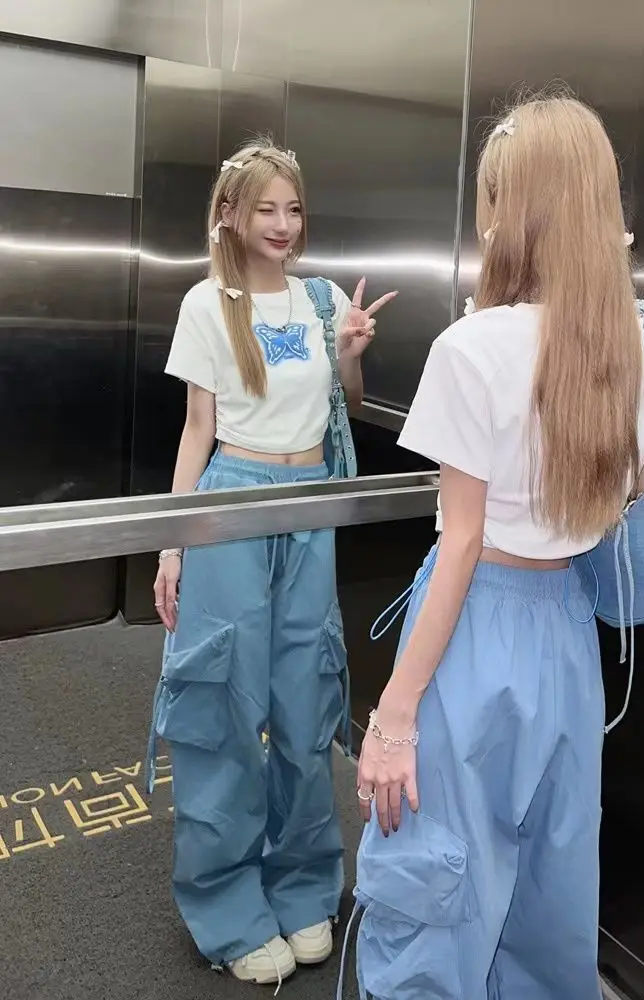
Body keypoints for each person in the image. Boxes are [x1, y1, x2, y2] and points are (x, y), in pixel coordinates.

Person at [349, 95, 644, 999]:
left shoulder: (471, 347)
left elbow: (460, 545)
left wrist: (392, 718)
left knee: (436, 890)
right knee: (549, 892)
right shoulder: (637, 343)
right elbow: (632, 490)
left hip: (473, 628)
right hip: (568, 636)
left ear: (507, 206)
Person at [143, 138, 396, 990]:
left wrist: (350, 353)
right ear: (231, 215)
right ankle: (225, 905)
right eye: (266, 209)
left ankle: (301, 885)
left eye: (293, 209)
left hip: (309, 510)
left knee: (305, 702)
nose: (284, 225)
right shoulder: (206, 305)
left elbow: (343, 408)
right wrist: (173, 542)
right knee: (221, 706)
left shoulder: (319, 300)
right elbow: (197, 431)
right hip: (233, 506)